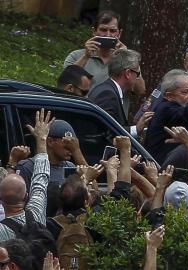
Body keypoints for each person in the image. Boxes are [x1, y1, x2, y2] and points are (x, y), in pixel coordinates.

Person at [15, 119, 85, 217]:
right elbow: (18, 206)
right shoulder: (28, 167)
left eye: (73, 145)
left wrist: (77, 151)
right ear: (50, 141)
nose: (70, 149)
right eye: (66, 144)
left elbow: (90, 196)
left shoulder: (70, 167)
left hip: (64, 227)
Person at [0, 109, 52, 240]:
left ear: (1, 200)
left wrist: (12, 163)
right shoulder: (36, 214)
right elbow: (41, 179)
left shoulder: (2, 231)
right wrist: (41, 139)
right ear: (26, 196)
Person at [87, 48, 152, 137]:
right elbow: (105, 133)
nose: (137, 79)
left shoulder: (108, 89)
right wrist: (136, 129)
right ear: (128, 73)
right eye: (137, 74)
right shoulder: (107, 94)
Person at [63, 10, 129, 89]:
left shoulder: (127, 59)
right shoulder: (76, 56)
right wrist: (86, 56)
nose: (108, 35)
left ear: (119, 33)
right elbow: (64, 84)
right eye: (103, 30)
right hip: (86, 101)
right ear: (94, 31)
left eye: (113, 31)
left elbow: (140, 90)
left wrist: (127, 59)